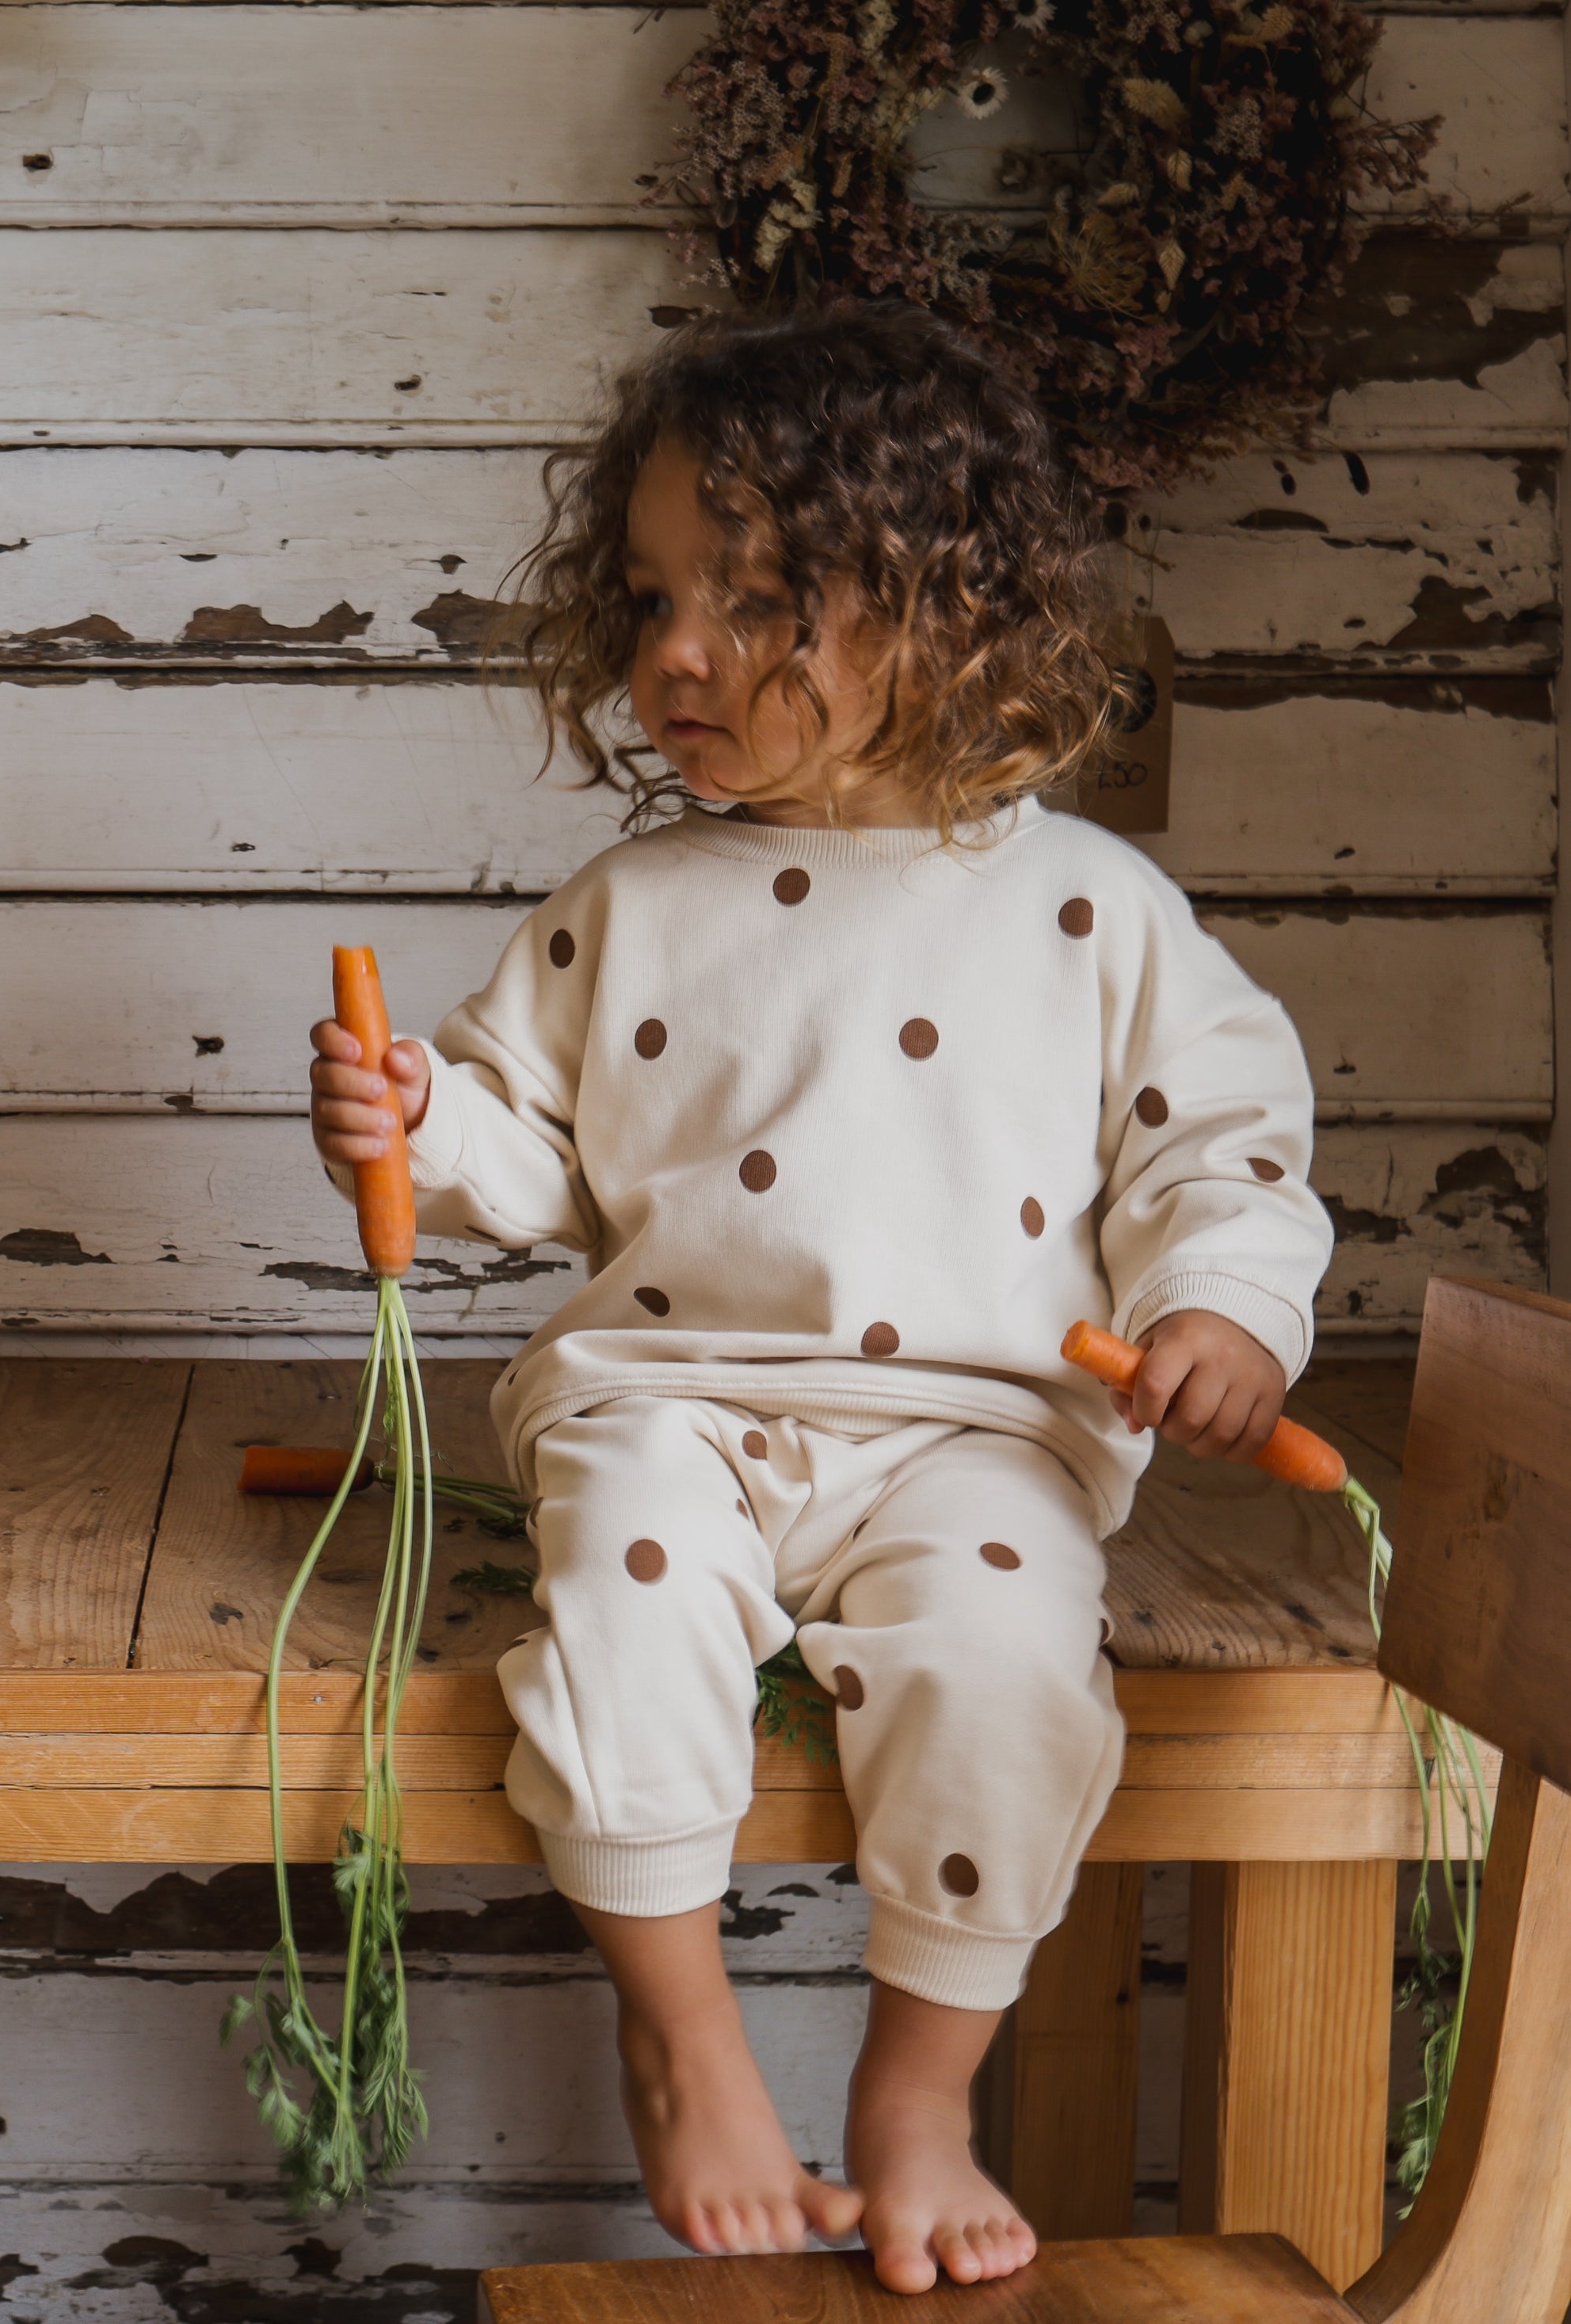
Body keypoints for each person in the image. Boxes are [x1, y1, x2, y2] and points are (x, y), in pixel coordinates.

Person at [308, 304, 1332, 2295]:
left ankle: (916, 2091)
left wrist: (1220, 1310)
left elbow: (1220, 1135)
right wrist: (414, 1118)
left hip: (970, 1430)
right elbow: (519, 1147)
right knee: (624, 1600)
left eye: (751, 600)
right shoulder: (633, 903)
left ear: (945, 613)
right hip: (669, 1397)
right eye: (650, 596)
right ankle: (679, 2031)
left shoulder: (1085, 907)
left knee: (1013, 1672)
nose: (671, 651)